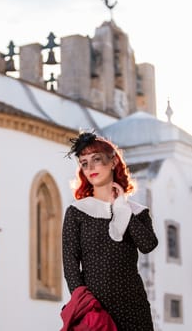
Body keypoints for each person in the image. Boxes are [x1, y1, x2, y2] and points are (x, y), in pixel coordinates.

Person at [62, 131, 158, 331]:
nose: (90, 168)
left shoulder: (136, 211)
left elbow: (148, 245)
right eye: (84, 163)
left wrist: (122, 208)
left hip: (134, 308)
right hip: (95, 309)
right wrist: (84, 305)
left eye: (96, 160)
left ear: (113, 162)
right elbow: (70, 264)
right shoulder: (77, 212)